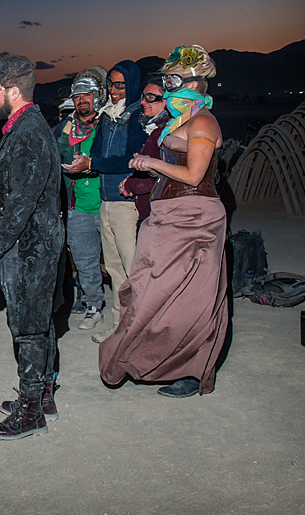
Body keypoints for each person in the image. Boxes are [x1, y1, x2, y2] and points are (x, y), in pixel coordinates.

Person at [99, 45, 228, 398]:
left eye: (174, 79)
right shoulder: (181, 120)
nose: (169, 86)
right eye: (167, 79)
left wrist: (151, 164)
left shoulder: (203, 121)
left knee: (190, 298)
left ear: (194, 82)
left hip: (195, 218)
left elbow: (194, 174)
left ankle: (190, 370)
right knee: (150, 291)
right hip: (167, 215)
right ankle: (147, 359)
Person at [0, 55, 64, 440]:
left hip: (30, 247)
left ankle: (31, 412)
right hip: (32, 243)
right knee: (38, 322)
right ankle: (41, 395)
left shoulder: (28, 131)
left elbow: (19, 205)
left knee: (28, 326)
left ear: (13, 91)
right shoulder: (19, 126)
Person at [64, 60, 148, 343]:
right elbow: (97, 156)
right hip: (106, 200)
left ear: (131, 85)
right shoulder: (107, 116)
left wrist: (94, 162)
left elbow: (131, 158)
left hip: (127, 202)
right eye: (111, 84)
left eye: (120, 85)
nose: (114, 90)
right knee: (114, 269)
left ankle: (140, 328)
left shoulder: (137, 116)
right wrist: (84, 165)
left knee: (132, 267)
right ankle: (119, 325)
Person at [56, 72, 105, 331]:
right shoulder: (64, 129)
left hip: (109, 202)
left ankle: (128, 308)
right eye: (77, 96)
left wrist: (90, 166)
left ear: (97, 97)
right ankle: (93, 306)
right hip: (78, 206)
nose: (82, 100)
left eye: (87, 95)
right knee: (85, 262)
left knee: (121, 261)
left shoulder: (109, 124)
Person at [120, 79, 170, 224]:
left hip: (157, 215)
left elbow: (158, 177)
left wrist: (129, 185)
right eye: (143, 97)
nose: (143, 102)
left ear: (167, 100)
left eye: (151, 98)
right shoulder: (151, 127)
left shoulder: (163, 132)